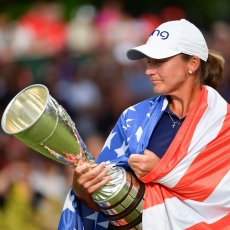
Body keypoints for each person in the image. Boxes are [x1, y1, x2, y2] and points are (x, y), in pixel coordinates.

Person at [58, 19, 230, 230]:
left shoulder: (224, 123)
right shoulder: (133, 119)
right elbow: (112, 207)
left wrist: (161, 171)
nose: (149, 70)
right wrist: (83, 192)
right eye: (149, 62)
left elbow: (221, 197)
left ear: (192, 64)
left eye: (159, 61)